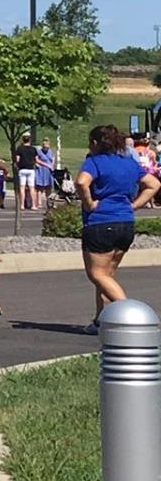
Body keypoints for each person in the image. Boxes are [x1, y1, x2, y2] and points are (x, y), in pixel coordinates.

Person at [76, 121, 160, 333]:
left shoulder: (94, 162)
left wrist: (89, 203)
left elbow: (81, 182)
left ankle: (129, 314)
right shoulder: (129, 163)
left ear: (95, 143)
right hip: (125, 223)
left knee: (97, 274)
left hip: (100, 222)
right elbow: (154, 184)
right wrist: (135, 205)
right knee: (107, 275)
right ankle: (100, 320)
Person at [14, 139, 37, 211]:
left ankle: (22, 205)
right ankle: (33, 205)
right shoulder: (33, 149)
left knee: (22, 188)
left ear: (23, 140)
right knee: (32, 188)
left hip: (22, 169)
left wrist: (17, 165)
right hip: (31, 169)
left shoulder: (20, 148)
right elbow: (36, 159)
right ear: (29, 140)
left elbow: (17, 159)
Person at [34, 140, 55, 211]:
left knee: (48, 187)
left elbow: (53, 159)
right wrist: (46, 165)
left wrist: (52, 165)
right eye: (45, 147)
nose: (47, 149)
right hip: (41, 170)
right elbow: (37, 160)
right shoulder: (39, 152)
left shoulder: (50, 151)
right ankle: (39, 203)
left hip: (48, 171)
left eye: (47, 147)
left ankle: (48, 202)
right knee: (40, 187)